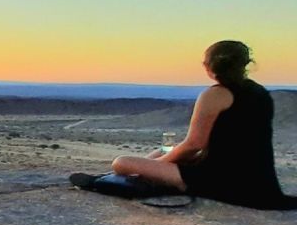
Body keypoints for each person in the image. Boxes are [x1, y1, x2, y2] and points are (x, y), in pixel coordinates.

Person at [83, 41, 296, 210]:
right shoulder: (260, 92)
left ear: (208, 66)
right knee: (159, 152)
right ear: (245, 64)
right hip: (259, 179)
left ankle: (134, 178)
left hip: (220, 180)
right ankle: (140, 176)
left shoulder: (214, 94)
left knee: (121, 162)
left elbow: (194, 144)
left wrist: (159, 167)